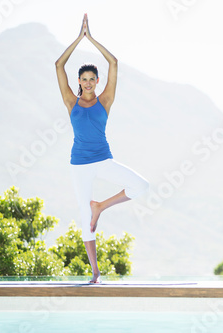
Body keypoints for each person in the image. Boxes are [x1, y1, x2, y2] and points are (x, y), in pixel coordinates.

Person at [55, 14, 149, 283]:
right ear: (79, 81)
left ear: (97, 81)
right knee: (85, 219)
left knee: (141, 186)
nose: (87, 82)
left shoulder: (105, 100)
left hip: (103, 159)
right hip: (79, 164)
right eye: (83, 79)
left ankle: (101, 206)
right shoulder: (69, 101)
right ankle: (95, 272)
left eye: (92, 79)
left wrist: (92, 39)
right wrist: (78, 38)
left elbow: (114, 62)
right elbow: (59, 64)